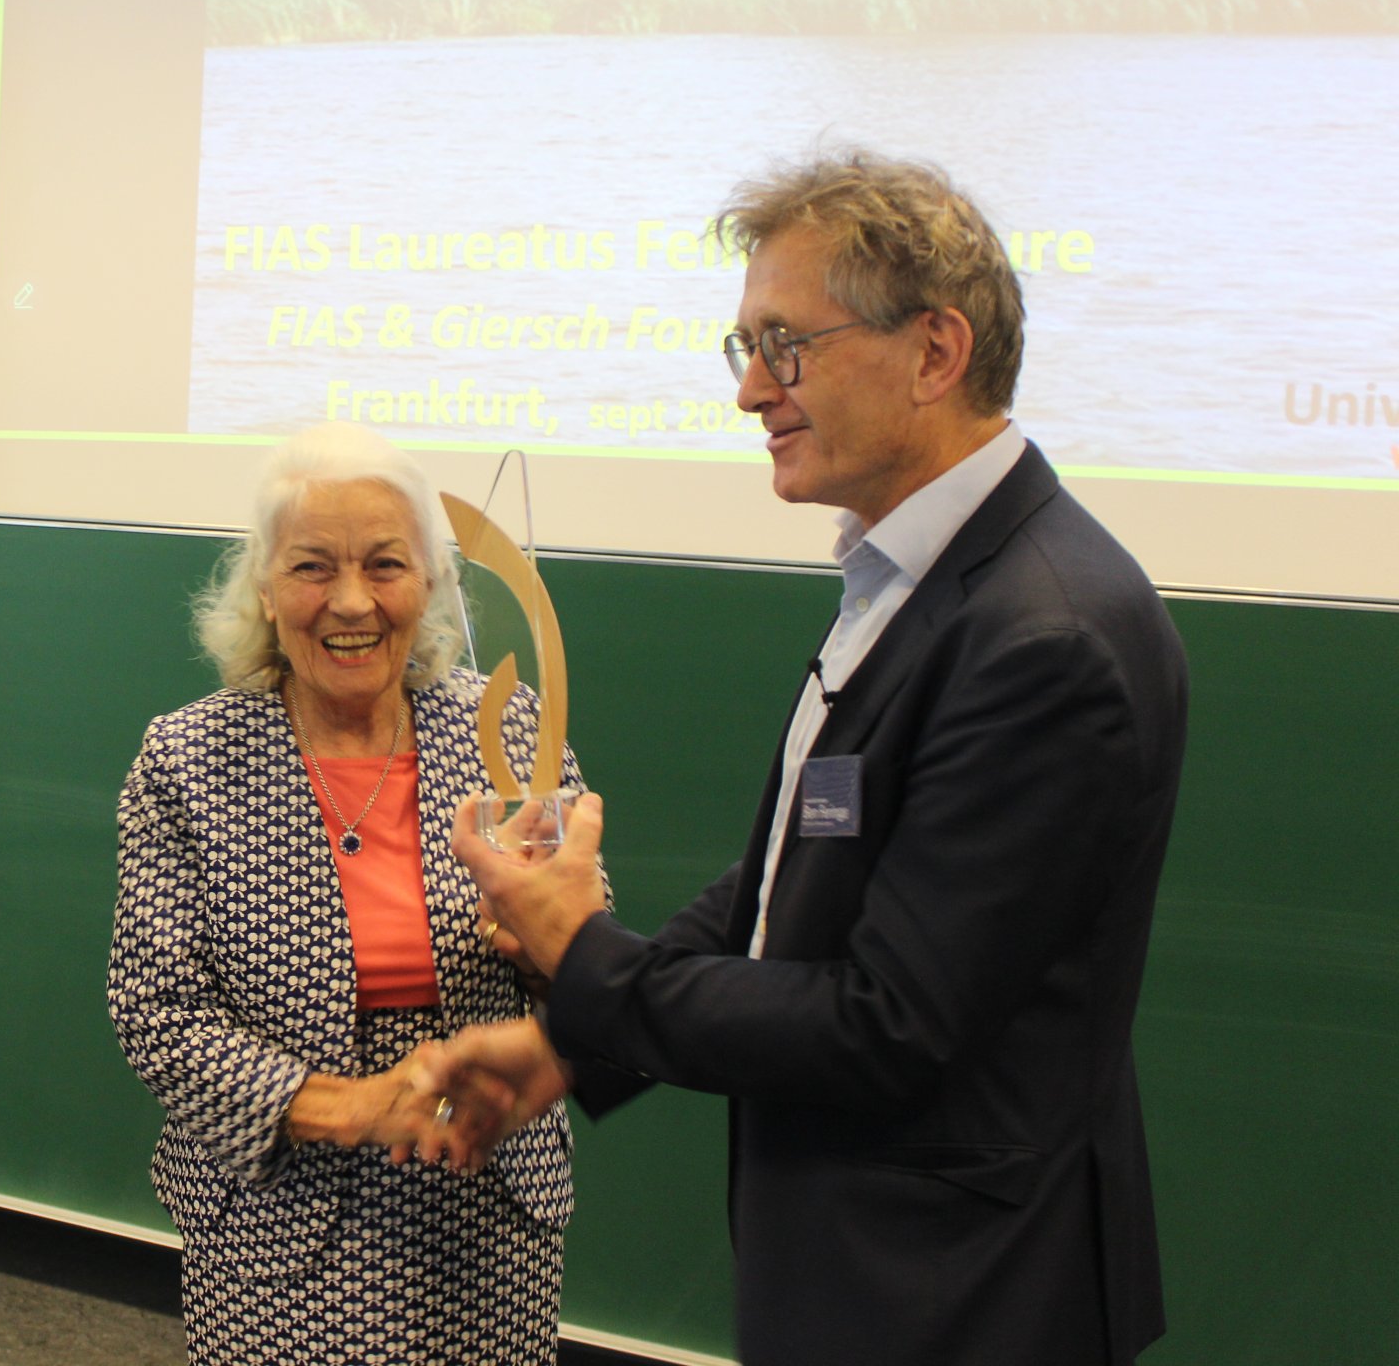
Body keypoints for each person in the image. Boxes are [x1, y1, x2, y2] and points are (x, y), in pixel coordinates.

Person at [427, 150, 1188, 1366]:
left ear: (936, 353)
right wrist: (576, 1039)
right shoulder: (915, 577)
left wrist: (586, 959)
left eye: (787, 345)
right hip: (877, 1272)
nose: (750, 393)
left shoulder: (1042, 637)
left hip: (957, 1298)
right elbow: (796, 872)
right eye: (745, 350)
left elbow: (887, 1024)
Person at [105, 423, 586, 1366]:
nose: (353, 601)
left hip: (490, 1207)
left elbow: (591, 965)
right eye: (314, 567)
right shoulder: (189, 760)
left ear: (433, 584)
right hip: (282, 1225)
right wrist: (360, 1106)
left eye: (386, 564)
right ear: (266, 590)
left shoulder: (509, 728)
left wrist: (544, 941)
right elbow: (156, 1013)